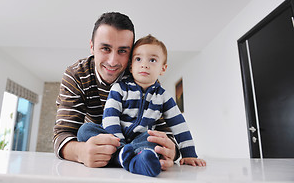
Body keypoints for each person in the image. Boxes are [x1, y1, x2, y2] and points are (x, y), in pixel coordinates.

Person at [53, 12, 179, 170]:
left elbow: (166, 133)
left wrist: (170, 152)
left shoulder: (144, 77)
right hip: (98, 146)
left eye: (122, 51)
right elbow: (63, 134)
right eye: (105, 48)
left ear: (132, 53)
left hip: (136, 141)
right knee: (84, 131)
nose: (113, 61)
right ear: (92, 46)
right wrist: (81, 152)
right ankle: (130, 158)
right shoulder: (76, 75)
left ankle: (126, 156)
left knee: (150, 139)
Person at [77, 34, 206, 177]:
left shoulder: (163, 96)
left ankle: (130, 158)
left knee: (154, 141)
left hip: (142, 139)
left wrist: (189, 153)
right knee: (85, 130)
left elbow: (179, 125)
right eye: (138, 59)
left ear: (163, 69)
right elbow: (110, 118)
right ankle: (125, 155)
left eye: (152, 60)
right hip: (114, 138)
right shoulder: (119, 88)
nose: (144, 64)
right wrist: (120, 143)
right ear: (131, 67)